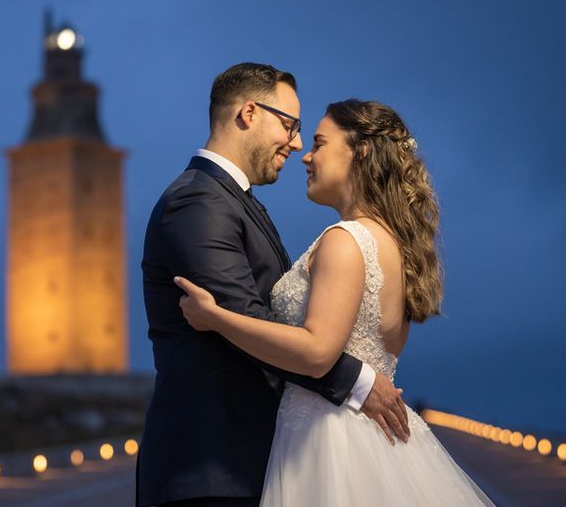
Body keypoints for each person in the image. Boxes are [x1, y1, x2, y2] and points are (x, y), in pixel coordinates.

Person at [175, 99, 495, 506]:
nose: (305, 156)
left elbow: (317, 352)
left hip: (330, 440)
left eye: (320, 144)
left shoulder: (345, 241)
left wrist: (216, 318)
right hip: (370, 439)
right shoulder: (391, 244)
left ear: (359, 151)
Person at [137, 64, 409, 507]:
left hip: (253, 465)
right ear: (248, 112)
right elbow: (246, 322)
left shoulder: (234, 202)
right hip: (210, 469)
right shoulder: (197, 200)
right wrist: (360, 382)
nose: (297, 143)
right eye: (290, 125)